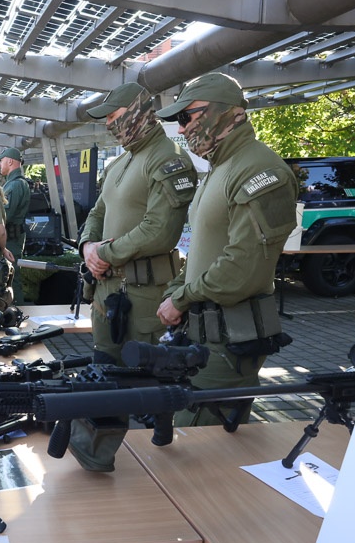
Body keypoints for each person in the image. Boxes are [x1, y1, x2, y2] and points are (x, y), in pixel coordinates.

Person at [156, 72, 298, 427]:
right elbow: (209, 248)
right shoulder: (222, 167)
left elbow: (243, 267)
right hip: (205, 336)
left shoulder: (260, 170)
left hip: (228, 343)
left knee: (200, 448)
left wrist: (182, 298)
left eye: (187, 116)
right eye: (178, 120)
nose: (182, 128)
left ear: (221, 112)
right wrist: (178, 292)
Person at [74, 82, 197, 472]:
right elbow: (97, 211)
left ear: (138, 113)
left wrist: (104, 253)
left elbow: (161, 229)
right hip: (107, 290)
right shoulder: (120, 163)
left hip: (144, 295)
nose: (110, 125)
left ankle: (156, 457)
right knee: (103, 375)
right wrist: (87, 247)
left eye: (114, 117)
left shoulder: (169, 159)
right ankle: (95, 458)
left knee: (146, 380)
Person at [0, 148, 31, 304]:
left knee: (11, 279)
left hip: (11, 239)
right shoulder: (14, 183)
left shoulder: (15, 186)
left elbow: (4, 216)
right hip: (12, 238)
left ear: (10, 161)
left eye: (1, 160)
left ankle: (18, 312)